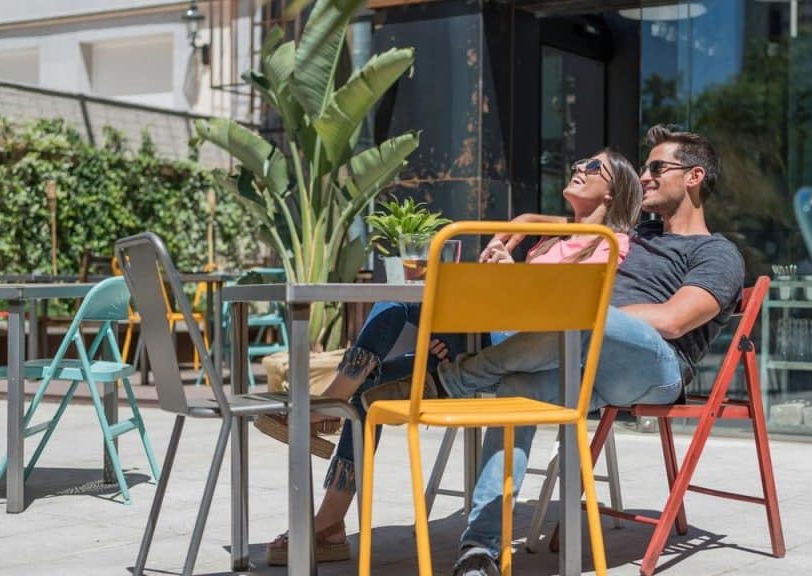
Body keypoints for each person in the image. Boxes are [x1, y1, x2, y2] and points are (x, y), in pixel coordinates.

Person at [265, 148, 644, 566]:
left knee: (398, 303)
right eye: (578, 163)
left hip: (519, 356)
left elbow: (562, 313)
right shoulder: (552, 239)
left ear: (613, 192)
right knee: (368, 393)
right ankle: (329, 524)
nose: (577, 169)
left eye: (592, 167)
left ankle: (324, 406)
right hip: (480, 339)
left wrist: (511, 276)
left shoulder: (611, 244)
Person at [441, 125, 746, 576]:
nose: (644, 176)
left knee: (582, 314)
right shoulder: (637, 233)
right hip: (589, 360)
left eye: (657, 167)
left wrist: (589, 311)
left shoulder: (717, 253)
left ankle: (453, 380)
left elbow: (674, 320)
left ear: (695, 177)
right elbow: (576, 223)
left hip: (655, 368)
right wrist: (525, 223)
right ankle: (479, 549)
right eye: (645, 167)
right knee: (517, 390)